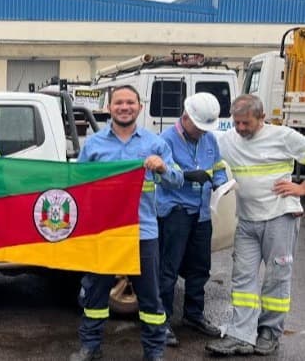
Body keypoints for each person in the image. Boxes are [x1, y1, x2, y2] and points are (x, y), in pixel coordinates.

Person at [70, 85, 183, 361]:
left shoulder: (155, 144)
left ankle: (154, 350)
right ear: (109, 108)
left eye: (129, 102)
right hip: (104, 232)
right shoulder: (94, 144)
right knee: (96, 293)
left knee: (149, 297)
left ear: (139, 106)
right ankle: (90, 346)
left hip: (142, 231)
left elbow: (178, 180)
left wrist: (163, 168)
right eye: (118, 102)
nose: (124, 107)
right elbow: (78, 185)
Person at [206, 94, 305, 356]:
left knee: (276, 278)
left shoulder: (284, 136)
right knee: (242, 279)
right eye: (236, 122)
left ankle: (269, 333)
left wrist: (300, 188)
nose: (240, 128)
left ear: (261, 118)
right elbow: (204, 145)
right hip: (247, 220)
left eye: (246, 123)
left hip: (279, 217)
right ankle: (241, 334)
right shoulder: (229, 140)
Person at [156, 92, 227, 347]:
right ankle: (161, 321)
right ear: (185, 117)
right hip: (175, 210)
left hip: (202, 212)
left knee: (200, 267)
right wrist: (186, 176)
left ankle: (193, 315)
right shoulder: (165, 140)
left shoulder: (209, 139)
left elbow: (217, 166)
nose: (201, 132)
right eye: (198, 126)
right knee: (168, 269)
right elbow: (162, 176)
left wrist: (221, 185)